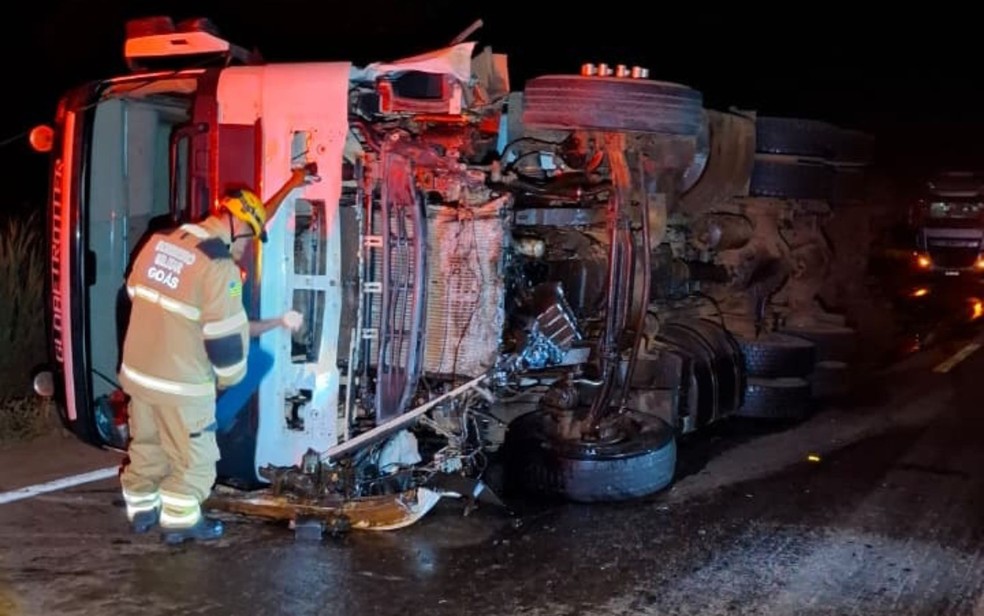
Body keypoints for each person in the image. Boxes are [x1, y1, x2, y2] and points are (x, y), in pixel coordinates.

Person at [117, 165, 313, 545]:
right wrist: (230, 380)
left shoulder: (161, 242)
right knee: (195, 458)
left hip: (140, 375)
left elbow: (137, 294)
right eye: (248, 240)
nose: (246, 249)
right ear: (237, 226)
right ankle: (180, 522)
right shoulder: (219, 267)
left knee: (147, 446)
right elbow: (227, 340)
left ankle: (141, 510)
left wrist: (276, 322)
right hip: (182, 385)